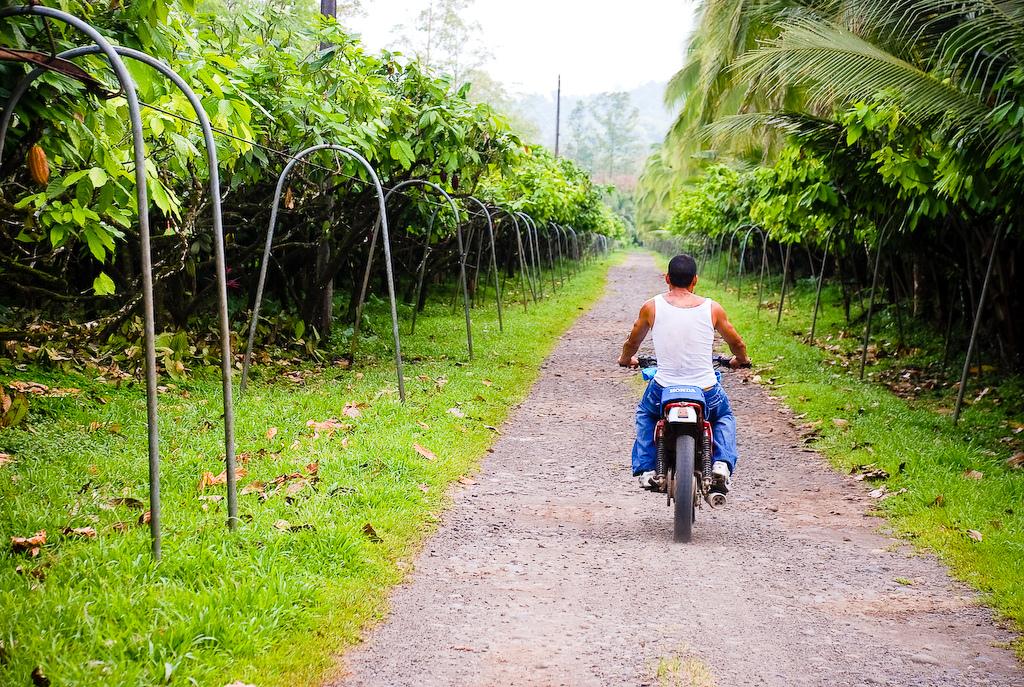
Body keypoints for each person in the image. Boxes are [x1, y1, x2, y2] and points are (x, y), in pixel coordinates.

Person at [618, 254, 750, 493]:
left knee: (646, 414)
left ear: (667, 278)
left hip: (663, 389)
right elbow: (737, 342)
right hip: (706, 389)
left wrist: (626, 359)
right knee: (724, 416)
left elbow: (633, 341)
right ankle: (721, 464)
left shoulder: (651, 307)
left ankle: (648, 469)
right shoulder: (713, 308)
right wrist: (741, 360)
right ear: (695, 280)